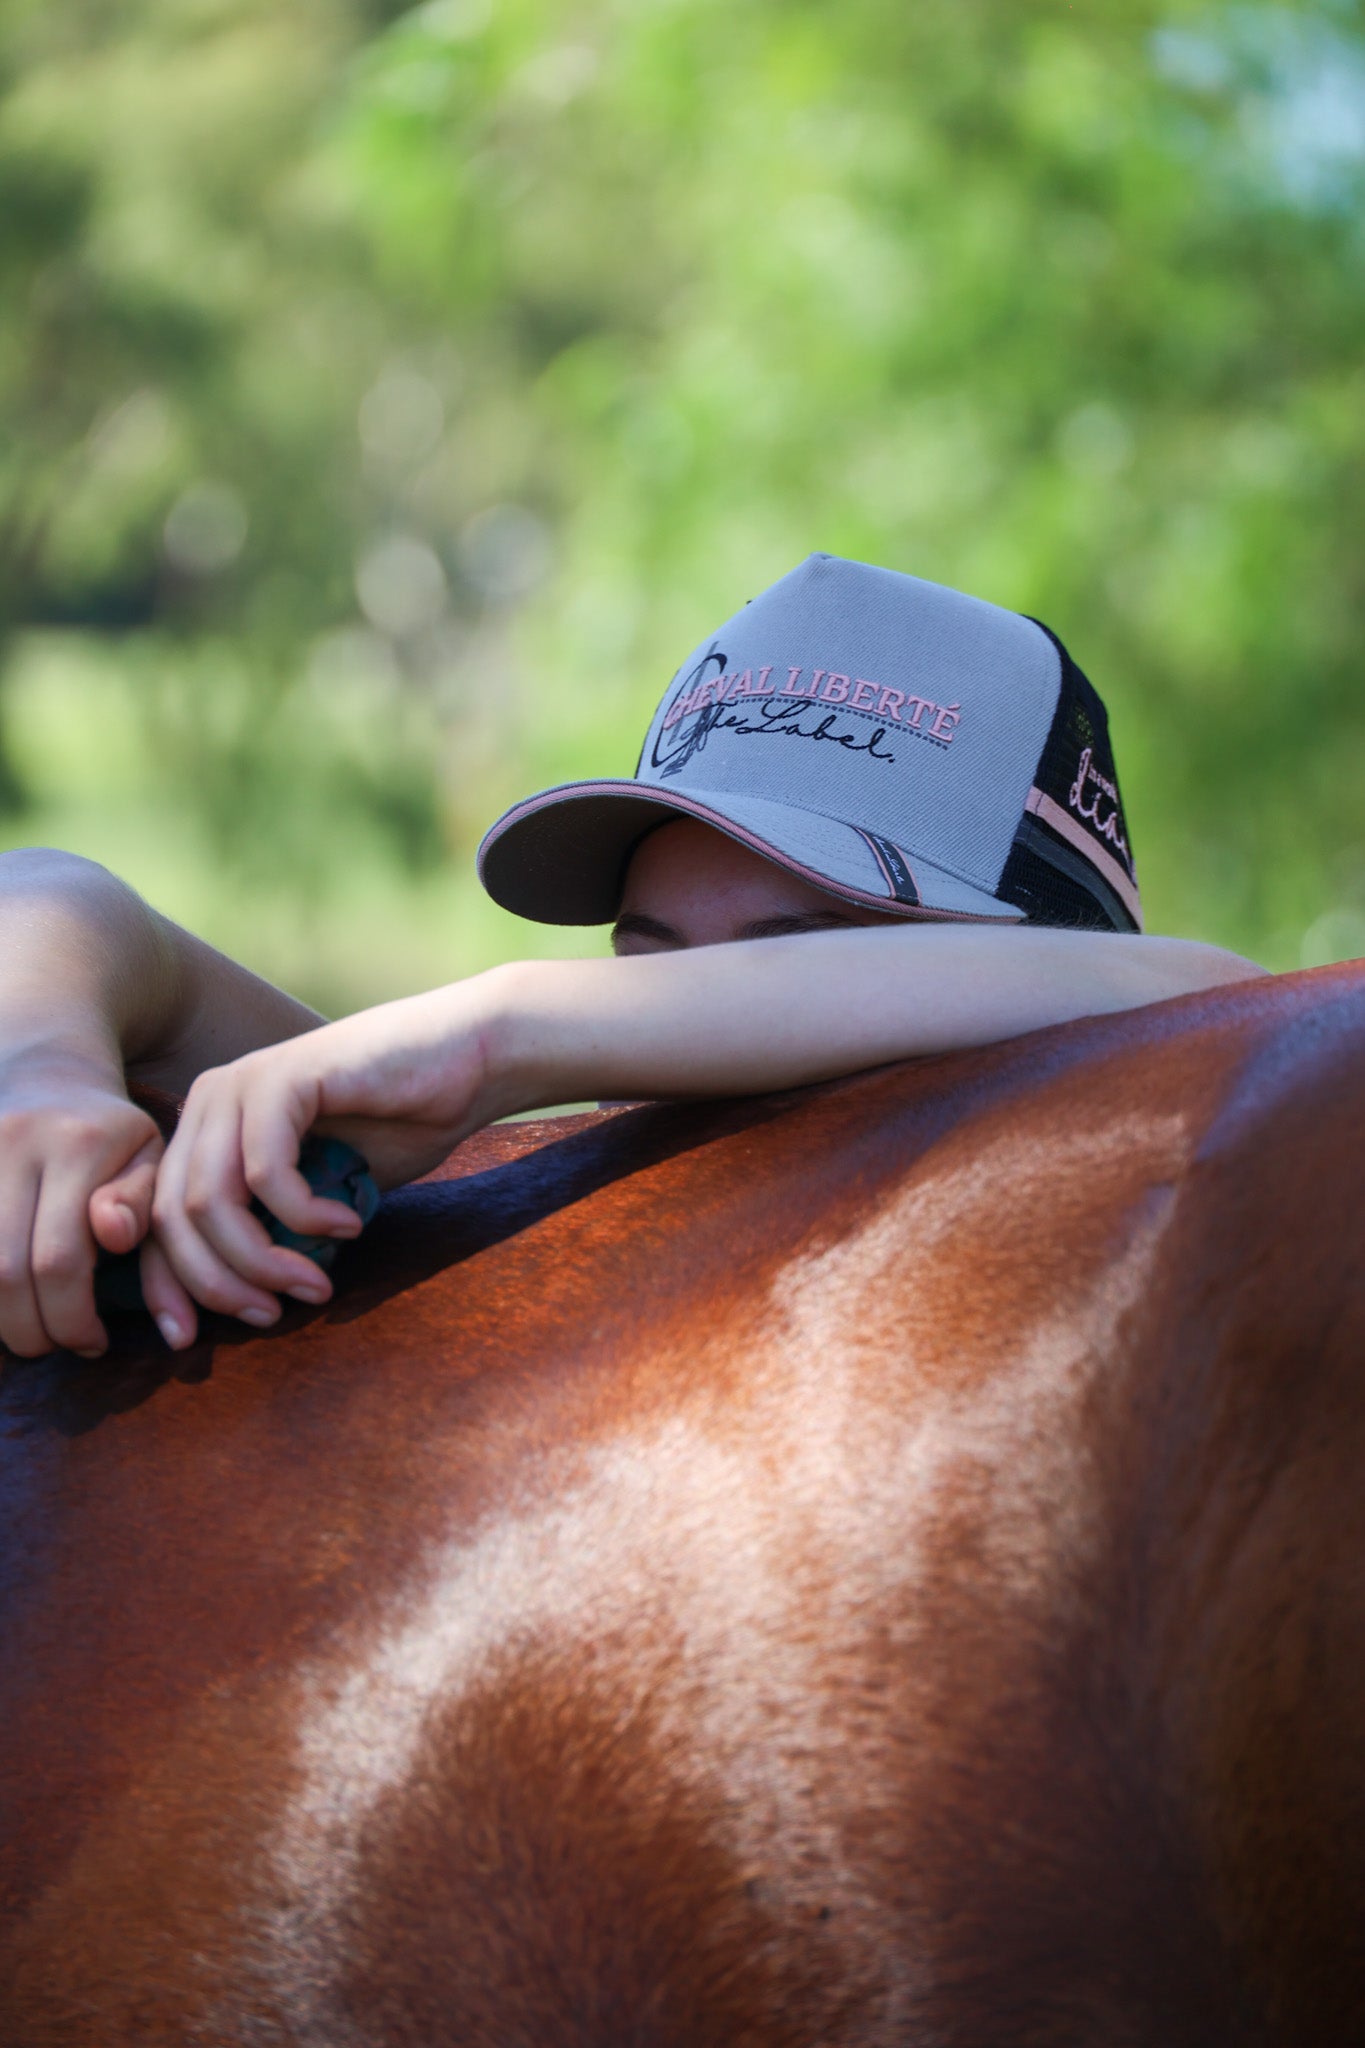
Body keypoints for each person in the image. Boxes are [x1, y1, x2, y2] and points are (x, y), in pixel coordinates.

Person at [0, 553, 1262, 1360]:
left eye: (795, 959)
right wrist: (43, 1065)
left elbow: (1207, 993)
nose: (665, 1031)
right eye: (642, 962)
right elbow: (56, 892)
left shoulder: (1165, 1048)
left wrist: (508, 1027)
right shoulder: (525, 1164)